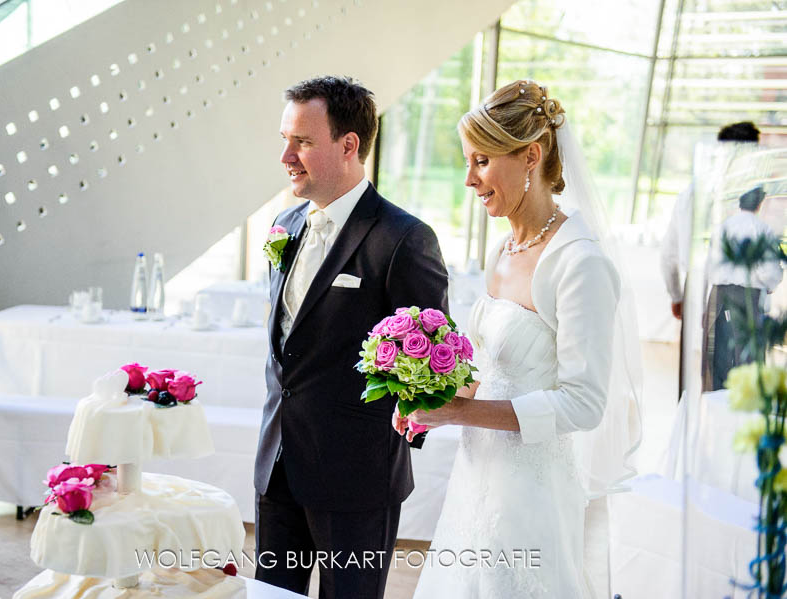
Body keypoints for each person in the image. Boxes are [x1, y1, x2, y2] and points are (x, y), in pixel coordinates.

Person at [396, 80, 641, 598]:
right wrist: (437, 398)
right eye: (468, 162)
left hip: (530, 493)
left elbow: (584, 403)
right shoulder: (505, 248)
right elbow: (491, 369)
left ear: (530, 156)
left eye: (481, 161)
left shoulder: (581, 263)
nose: (469, 179)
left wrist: (460, 414)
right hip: (476, 476)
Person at [254, 76, 449, 599]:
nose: (286, 156)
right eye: (285, 139)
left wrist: (410, 423)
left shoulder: (403, 239)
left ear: (348, 145)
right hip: (277, 465)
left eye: (302, 142)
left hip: (356, 477)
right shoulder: (286, 224)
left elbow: (432, 364)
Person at [660, 122, 760, 395]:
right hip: (722, 289)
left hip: (699, 287)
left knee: (704, 384)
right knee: (739, 381)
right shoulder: (746, 195)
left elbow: (667, 253)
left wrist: (677, 295)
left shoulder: (691, 191)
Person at [701, 186, 783, 391]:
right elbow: (769, 270)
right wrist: (771, 285)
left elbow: (709, 265)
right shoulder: (762, 229)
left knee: (717, 350)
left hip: (718, 293)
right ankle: (745, 401)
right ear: (759, 204)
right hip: (747, 295)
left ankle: (714, 396)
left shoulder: (722, 227)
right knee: (747, 353)